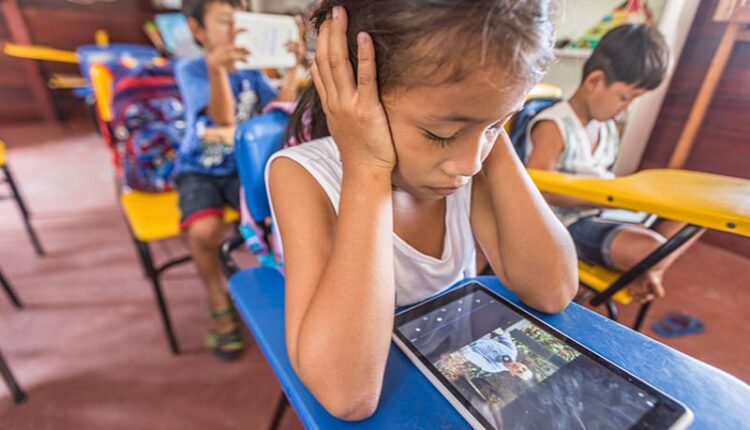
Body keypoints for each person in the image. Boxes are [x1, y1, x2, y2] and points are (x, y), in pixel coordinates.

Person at [267, 0, 578, 420]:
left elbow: (553, 289)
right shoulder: (301, 175)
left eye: (496, 126)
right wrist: (367, 169)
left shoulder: (473, 157)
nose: (469, 164)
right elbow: (347, 395)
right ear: (351, 94)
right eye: (440, 134)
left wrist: (489, 116)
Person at [526, 24, 702, 304]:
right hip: (567, 223)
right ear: (594, 81)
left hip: (602, 213)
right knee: (656, 251)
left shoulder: (606, 128)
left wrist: (621, 198)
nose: (626, 108)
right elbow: (537, 188)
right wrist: (607, 198)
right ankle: (647, 270)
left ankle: (644, 269)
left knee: (695, 218)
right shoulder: (554, 125)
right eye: (624, 98)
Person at [175, 0, 303, 360]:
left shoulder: (251, 71)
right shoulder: (191, 69)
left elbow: (277, 110)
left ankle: (286, 288)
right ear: (197, 30)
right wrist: (217, 69)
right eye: (225, 20)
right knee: (204, 232)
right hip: (199, 169)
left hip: (238, 167)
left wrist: (293, 67)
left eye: (240, 19)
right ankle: (218, 302)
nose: (236, 28)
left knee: (280, 214)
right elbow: (221, 118)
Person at [463, 331, 535, 381]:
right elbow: (504, 335)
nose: (519, 368)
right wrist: (498, 329)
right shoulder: (512, 352)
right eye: (524, 368)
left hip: (467, 340)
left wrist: (463, 342)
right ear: (524, 365)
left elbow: (469, 354)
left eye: (519, 372)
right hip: (480, 332)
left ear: (512, 374)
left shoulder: (492, 368)